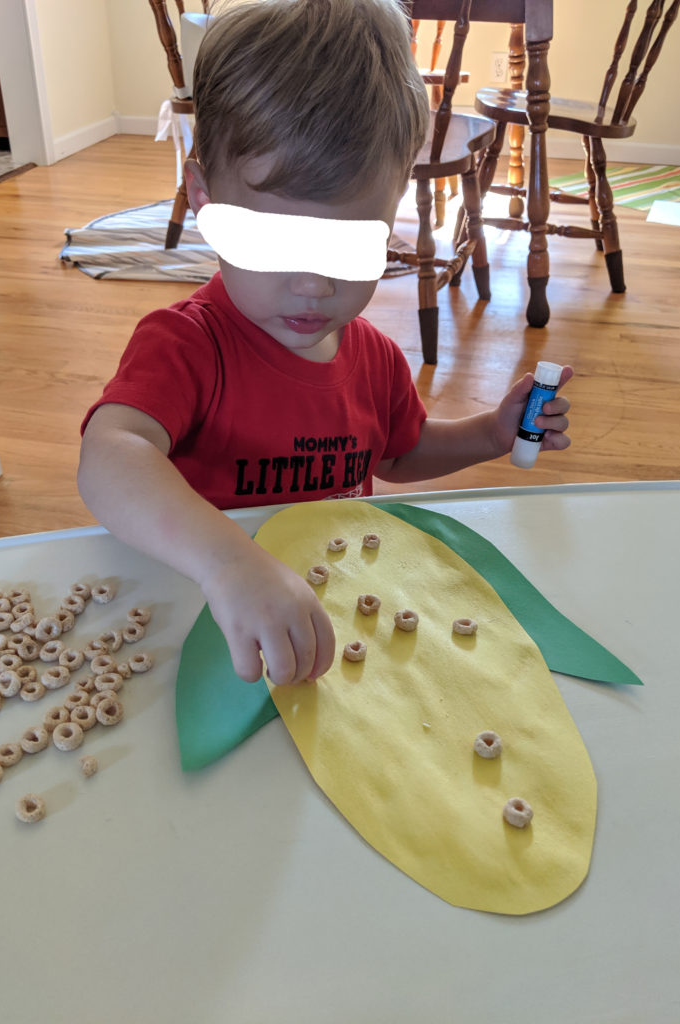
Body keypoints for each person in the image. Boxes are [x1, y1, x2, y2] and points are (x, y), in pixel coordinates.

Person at [78, 0, 572, 689]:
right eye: (273, 243)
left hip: (332, 623)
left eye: (344, 246)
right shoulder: (187, 346)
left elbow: (397, 453)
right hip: (207, 628)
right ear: (201, 199)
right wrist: (228, 563)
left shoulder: (372, 357)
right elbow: (109, 458)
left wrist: (490, 434)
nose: (312, 285)